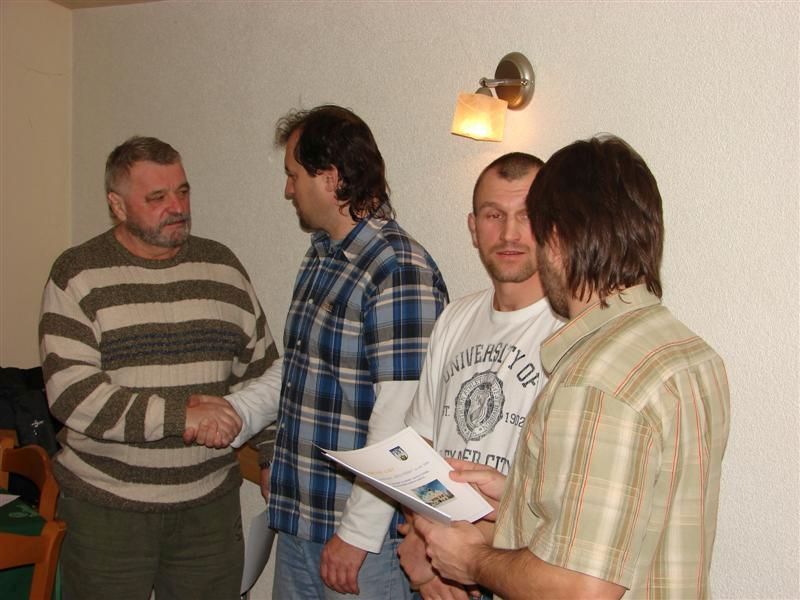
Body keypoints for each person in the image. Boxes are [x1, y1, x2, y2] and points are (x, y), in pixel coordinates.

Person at [412, 135, 730, 600]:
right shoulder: (685, 350)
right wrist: (518, 498)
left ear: (558, 239)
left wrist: (474, 560)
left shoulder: (593, 381)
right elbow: (631, 520)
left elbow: (582, 588)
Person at [190, 105, 449, 599]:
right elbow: (300, 369)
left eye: (294, 175)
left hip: (361, 545)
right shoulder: (322, 254)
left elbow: (400, 421)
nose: (288, 190)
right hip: (301, 521)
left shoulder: (398, 269)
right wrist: (236, 411)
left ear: (330, 179)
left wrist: (355, 536)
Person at [39, 136, 278, 600]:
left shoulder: (223, 267)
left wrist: (270, 456)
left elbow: (262, 372)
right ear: (117, 205)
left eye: (183, 191)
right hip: (108, 512)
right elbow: (72, 395)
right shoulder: (77, 274)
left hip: (208, 511)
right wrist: (180, 416)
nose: (177, 207)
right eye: (157, 197)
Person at [399, 153, 563, 599]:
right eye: (494, 215)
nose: (509, 234)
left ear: (553, 223)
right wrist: (424, 542)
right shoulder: (455, 318)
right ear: (473, 227)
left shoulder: (570, 328)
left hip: (520, 570)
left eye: (526, 216)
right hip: (439, 563)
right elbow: (421, 447)